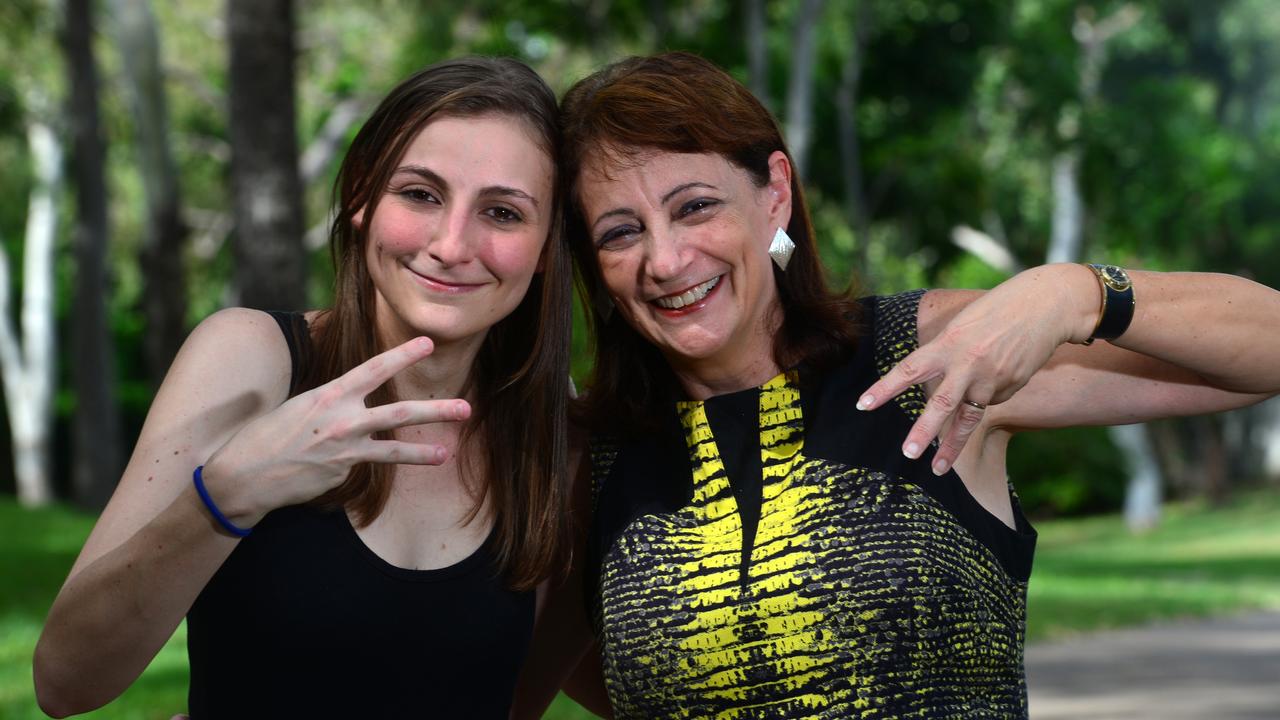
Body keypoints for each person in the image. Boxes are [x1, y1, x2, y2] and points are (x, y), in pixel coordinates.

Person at [516, 51, 1280, 719]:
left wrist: (1078, 293)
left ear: (773, 192)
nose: (667, 259)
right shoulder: (597, 460)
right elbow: (503, 683)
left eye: (696, 207)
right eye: (620, 232)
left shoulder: (929, 354)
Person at [34, 56, 572, 718]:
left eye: (503, 212)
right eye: (421, 194)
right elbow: (65, 682)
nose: (452, 243)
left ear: (547, 247)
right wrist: (227, 497)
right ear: (361, 199)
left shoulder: (553, 428)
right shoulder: (250, 359)